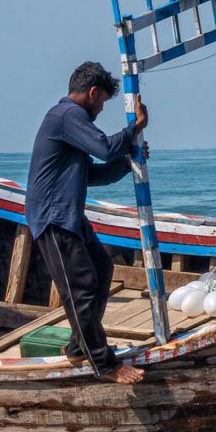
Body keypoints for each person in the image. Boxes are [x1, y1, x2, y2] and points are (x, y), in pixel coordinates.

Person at [25, 62, 147, 384]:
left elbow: (91, 173)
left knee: (102, 270)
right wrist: (133, 128)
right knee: (80, 288)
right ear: (93, 94)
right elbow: (105, 148)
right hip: (53, 218)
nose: (100, 110)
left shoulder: (69, 123)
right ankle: (104, 364)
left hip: (70, 215)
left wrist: (128, 160)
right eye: (103, 102)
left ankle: (80, 347)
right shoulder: (68, 116)